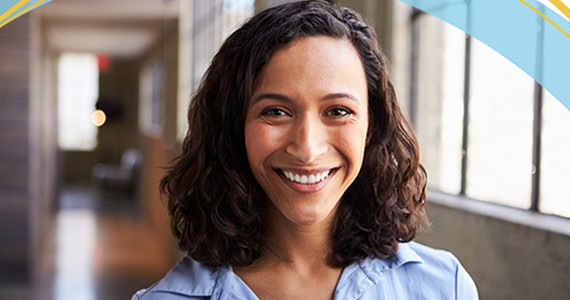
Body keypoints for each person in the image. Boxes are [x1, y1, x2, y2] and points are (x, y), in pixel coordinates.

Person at [132, 1, 478, 299]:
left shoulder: (445, 287)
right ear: (233, 127)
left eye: (338, 111)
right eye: (275, 112)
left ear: (372, 126)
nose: (308, 149)